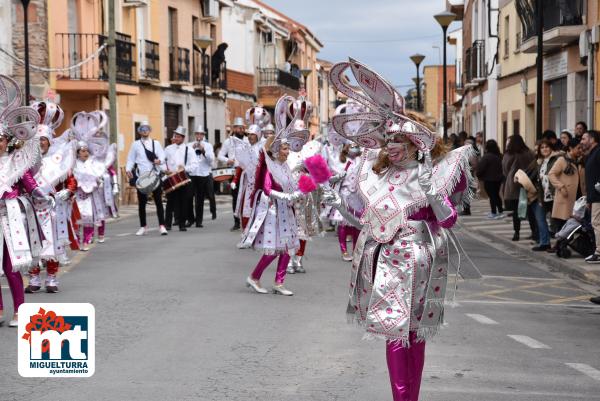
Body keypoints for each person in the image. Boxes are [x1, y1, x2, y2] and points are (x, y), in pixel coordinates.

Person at [323, 59, 476, 401]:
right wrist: (337, 206)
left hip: (421, 256)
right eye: (387, 139)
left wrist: (432, 192)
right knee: (395, 331)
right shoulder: (377, 176)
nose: (389, 145)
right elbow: (365, 221)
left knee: (414, 334)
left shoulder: (433, 172)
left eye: (397, 139)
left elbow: (448, 220)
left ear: (415, 143)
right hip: (387, 258)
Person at [242, 95, 309, 297]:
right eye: (286, 148)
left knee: (288, 248)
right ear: (277, 149)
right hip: (273, 212)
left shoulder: (286, 166)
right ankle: (254, 277)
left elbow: (291, 185)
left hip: (287, 211)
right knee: (274, 250)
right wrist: (286, 197)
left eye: (288, 147)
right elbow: (267, 189)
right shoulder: (270, 167)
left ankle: (279, 282)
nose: (289, 151)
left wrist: (303, 189)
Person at [0, 75, 53, 327]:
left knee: (11, 267)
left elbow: (29, 181)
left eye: (0, 139)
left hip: (10, 217)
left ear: (7, 141)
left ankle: (19, 310)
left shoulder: (16, 162)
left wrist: (39, 194)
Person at [27, 101, 77, 294]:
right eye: (38, 139)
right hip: (32, 207)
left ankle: (51, 277)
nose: (41, 143)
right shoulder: (27, 161)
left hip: (53, 208)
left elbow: (71, 181)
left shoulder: (59, 160)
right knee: (33, 243)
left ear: (49, 141)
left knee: (52, 243)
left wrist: (67, 191)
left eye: (43, 140)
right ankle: (33, 277)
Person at [126, 122, 168, 236]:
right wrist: (128, 169)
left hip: (154, 175)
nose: (145, 131)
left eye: (147, 129)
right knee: (142, 203)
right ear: (139, 131)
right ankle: (143, 227)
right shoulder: (135, 144)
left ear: (149, 131)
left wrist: (160, 160)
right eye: (142, 129)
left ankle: (162, 226)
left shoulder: (156, 143)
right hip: (142, 177)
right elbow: (130, 159)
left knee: (158, 201)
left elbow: (163, 156)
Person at [548, 138, 583, 241]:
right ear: (571, 148)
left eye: (581, 148)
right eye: (578, 148)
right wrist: (561, 186)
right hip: (565, 196)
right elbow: (551, 174)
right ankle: (560, 246)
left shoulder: (580, 161)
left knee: (574, 224)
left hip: (578, 197)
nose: (580, 150)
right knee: (563, 223)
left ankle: (565, 244)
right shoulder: (562, 160)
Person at [527, 140, 560, 251]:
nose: (545, 149)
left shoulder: (556, 160)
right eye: (542, 148)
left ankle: (560, 244)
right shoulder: (540, 162)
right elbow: (539, 182)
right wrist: (540, 199)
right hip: (544, 196)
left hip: (555, 195)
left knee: (557, 222)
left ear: (551, 148)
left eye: (547, 147)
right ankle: (545, 242)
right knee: (540, 218)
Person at [502, 134, 535, 241]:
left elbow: (505, 169)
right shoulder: (529, 153)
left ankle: (516, 233)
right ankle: (534, 232)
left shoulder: (509, 154)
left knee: (516, 210)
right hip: (529, 182)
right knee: (530, 209)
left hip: (514, 184)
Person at [164, 126, 196, 232]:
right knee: (170, 202)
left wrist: (185, 168)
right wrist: (165, 170)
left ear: (183, 138)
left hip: (183, 179)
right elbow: (163, 161)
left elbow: (195, 165)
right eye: (175, 136)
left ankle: (182, 224)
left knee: (183, 202)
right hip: (171, 178)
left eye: (178, 136)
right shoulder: (168, 149)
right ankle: (167, 224)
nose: (176, 138)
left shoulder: (189, 150)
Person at [218, 117, 246, 231]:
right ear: (234, 128)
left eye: (242, 127)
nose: (241, 129)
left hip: (246, 171)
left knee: (246, 196)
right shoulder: (228, 141)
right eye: (238, 127)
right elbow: (220, 155)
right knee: (235, 197)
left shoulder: (248, 140)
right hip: (234, 172)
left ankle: (246, 220)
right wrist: (227, 160)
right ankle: (236, 221)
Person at [187, 125, 216, 227]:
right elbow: (186, 158)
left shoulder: (208, 146)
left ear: (203, 135)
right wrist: (191, 149)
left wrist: (204, 151)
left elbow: (211, 160)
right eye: (197, 134)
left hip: (203, 174)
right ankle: (190, 219)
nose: (199, 135)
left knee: (199, 199)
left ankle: (199, 221)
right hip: (191, 173)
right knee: (189, 197)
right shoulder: (189, 145)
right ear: (195, 135)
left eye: (201, 134)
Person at [580, 130, 600, 265]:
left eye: (584, 138)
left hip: (598, 195)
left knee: (596, 223)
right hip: (594, 196)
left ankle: (599, 252)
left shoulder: (598, 152)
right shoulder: (592, 153)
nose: (581, 141)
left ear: (592, 140)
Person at [476, 139, 504, 219]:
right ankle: (500, 210)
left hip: (489, 179)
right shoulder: (499, 155)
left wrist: (479, 175)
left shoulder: (486, 157)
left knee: (492, 196)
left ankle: (493, 212)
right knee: (496, 194)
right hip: (498, 179)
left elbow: (481, 168)